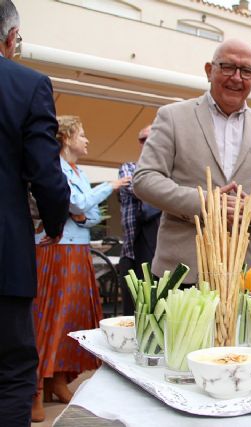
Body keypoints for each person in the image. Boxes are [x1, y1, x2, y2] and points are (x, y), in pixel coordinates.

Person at [133, 39, 251, 284]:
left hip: (243, 273)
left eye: (246, 71)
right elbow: (145, 179)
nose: (237, 77)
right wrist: (206, 202)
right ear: (209, 70)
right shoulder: (173, 116)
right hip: (181, 271)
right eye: (227, 67)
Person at [31, 116, 130, 422]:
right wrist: (108, 188)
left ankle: (58, 379)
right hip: (56, 250)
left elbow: (88, 212)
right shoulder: (55, 167)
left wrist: (85, 213)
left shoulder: (79, 172)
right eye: (82, 134)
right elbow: (76, 203)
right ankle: (33, 387)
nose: (87, 139)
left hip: (78, 246)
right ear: (67, 137)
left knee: (71, 318)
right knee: (49, 317)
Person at [0, 2, 70, 424]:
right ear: (11, 39)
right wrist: (54, 222)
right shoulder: (26, 84)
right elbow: (45, 172)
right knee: (11, 370)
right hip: (4, 255)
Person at [118, 125, 160, 315]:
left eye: (152, 138)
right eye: (143, 139)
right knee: (134, 311)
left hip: (164, 253)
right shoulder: (129, 167)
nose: (148, 142)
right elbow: (140, 188)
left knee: (159, 310)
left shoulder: (170, 171)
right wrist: (168, 193)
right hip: (133, 251)